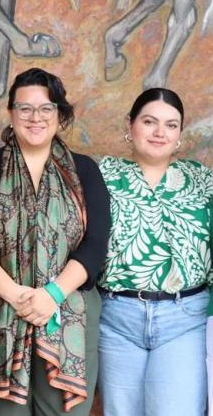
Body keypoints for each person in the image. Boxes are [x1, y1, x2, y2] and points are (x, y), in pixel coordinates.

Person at [0, 68, 110, 415]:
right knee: (7, 411)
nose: (35, 117)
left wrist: (51, 295)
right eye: (25, 108)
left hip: (68, 306)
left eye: (46, 108)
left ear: (59, 114)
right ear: (10, 113)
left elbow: (96, 243)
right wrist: (16, 295)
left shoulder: (84, 171)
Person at [97, 88, 212, 416]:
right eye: (149, 122)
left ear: (179, 134)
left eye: (171, 125)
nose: (160, 132)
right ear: (130, 124)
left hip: (184, 318)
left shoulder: (202, 180)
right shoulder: (102, 176)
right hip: (116, 318)